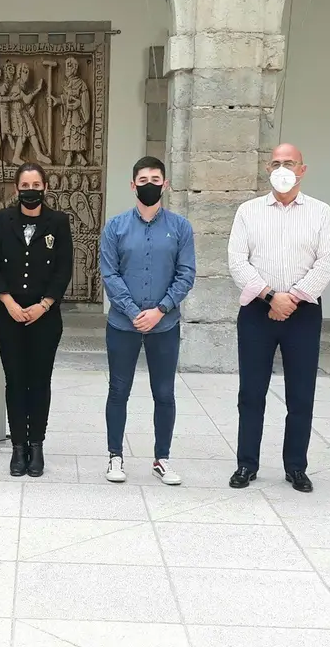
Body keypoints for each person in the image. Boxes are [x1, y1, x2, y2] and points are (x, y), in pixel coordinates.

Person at [227, 143, 330, 492]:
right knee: (251, 393)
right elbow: (237, 261)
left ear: (302, 169)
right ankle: (247, 464)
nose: (282, 168)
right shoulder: (248, 211)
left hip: (303, 313)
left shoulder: (321, 212)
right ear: (267, 170)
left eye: (289, 163)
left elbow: (326, 263)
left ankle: (296, 467)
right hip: (258, 310)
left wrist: (293, 297)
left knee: (301, 395)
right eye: (275, 163)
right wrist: (271, 296)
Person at [99, 157, 196, 484]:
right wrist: (132, 310)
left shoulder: (181, 228)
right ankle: (115, 456)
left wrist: (160, 309)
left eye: (156, 178)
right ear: (133, 185)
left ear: (165, 184)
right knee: (118, 390)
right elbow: (110, 274)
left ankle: (162, 458)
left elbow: (186, 274)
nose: (150, 184)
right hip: (123, 325)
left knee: (164, 392)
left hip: (164, 325)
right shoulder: (114, 227)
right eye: (143, 179)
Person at [0, 163, 72, 477]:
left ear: (45, 188)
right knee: (15, 381)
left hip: (45, 317)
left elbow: (64, 269)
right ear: (16, 189)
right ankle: (18, 448)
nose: (30, 190)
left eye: (36, 184)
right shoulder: (1, 219)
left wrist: (44, 304)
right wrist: (7, 301)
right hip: (8, 315)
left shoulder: (58, 222)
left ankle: (37, 445)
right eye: (25, 185)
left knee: (39, 381)